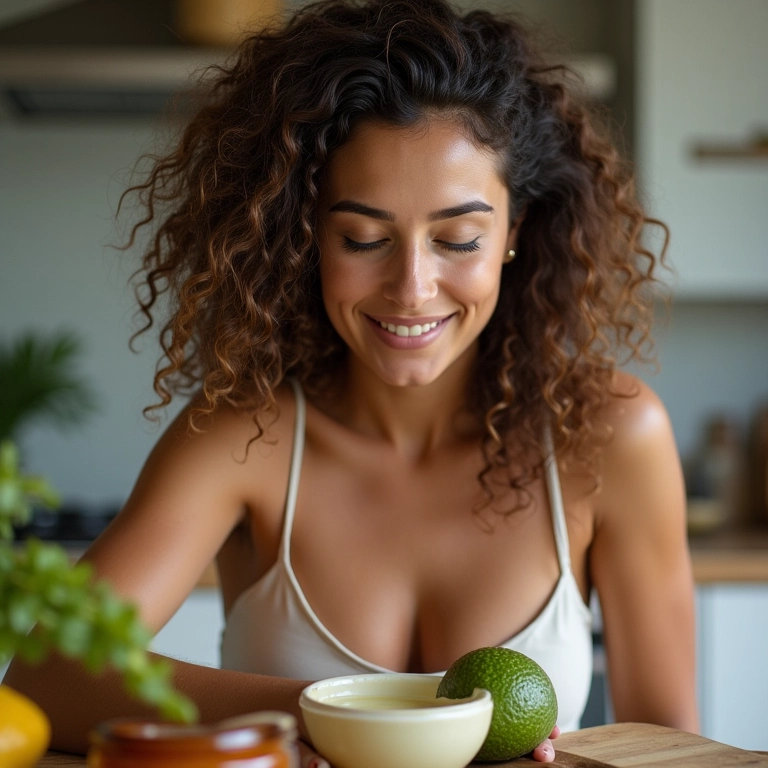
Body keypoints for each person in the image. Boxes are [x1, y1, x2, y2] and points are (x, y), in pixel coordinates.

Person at [5, 0, 699, 763]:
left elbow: (671, 747)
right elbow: (47, 678)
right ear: (304, 237)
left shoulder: (611, 435)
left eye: (457, 238)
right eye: (362, 237)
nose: (411, 287)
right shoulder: (246, 436)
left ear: (515, 233)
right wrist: (345, 712)